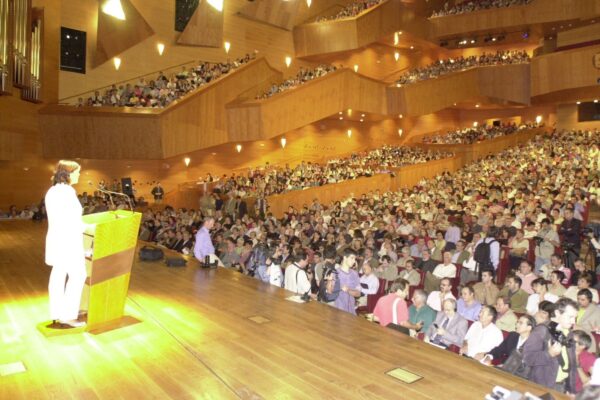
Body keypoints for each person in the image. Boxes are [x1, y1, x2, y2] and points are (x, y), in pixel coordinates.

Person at [45, 160, 87, 328]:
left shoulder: (53, 190)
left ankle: (57, 312)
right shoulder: (67, 191)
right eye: (77, 172)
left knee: (58, 276)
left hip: (57, 240)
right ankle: (68, 316)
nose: (79, 175)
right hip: (69, 241)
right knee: (78, 275)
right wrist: (90, 227)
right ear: (68, 173)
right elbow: (72, 220)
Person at [523, 298, 579, 393]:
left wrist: (571, 390)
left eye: (575, 318)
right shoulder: (541, 331)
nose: (573, 321)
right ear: (557, 313)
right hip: (541, 387)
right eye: (570, 317)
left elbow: (572, 365)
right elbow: (527, 358)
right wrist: (549, 354)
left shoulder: (568, 333)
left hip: (562, 386)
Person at [334, 248, 361, 315]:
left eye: (355, 259)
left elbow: (358, 293)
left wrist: (348, 290)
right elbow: (329, 292)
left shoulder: (355, 274)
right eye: (352, 258)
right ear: (345, 258)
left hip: (351, 310)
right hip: (338, 310)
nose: (354, 261)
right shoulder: (335, 273)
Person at [575, 289, 600, 353]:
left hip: (585, 334)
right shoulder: (574, 307)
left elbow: (598, 328)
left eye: (582, 300)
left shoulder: (596, 310)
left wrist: (597, 328)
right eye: (578, 299)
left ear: (589, 300)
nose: (579, 301)